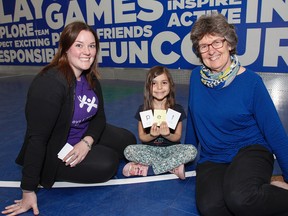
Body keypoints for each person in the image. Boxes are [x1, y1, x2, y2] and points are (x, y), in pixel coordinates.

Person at [2, 21, 136, 216]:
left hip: (82, 134)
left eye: (91, 46)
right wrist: (28, 190)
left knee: (128, 142)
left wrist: (87, 142)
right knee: (108, 163)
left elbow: (99, 117)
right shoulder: (49, 84)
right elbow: (36, 139)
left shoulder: (89, 77)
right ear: (65, 48)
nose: (87, 52)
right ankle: (68, 164)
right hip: (57, 148)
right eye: (79, 45)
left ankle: (93, 147)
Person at [185, 13, 288, 215]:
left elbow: (274, 131)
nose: (211, 51)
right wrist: (186, 156)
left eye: (217, 42)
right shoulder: (196, 77)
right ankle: (257, 186)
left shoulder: (251, 82)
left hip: (250, 149)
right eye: (204, 46)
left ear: (230, 44)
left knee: (240, 198)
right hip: (213, 156)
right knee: (210, 207)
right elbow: (193, 118)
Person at [122, 66, 197, 180]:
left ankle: (149, 169)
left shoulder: (176, 109)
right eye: (154, 83)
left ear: (170, 85)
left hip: (171, 150)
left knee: (192, 151)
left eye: (164, 82)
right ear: (148, 87)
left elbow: (177, 137)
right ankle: (172, 166)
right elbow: (142, 137)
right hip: (150, 150)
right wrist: (152, 135)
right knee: (128, 151)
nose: (159, 87)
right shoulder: (144, 109)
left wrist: (167, 134)